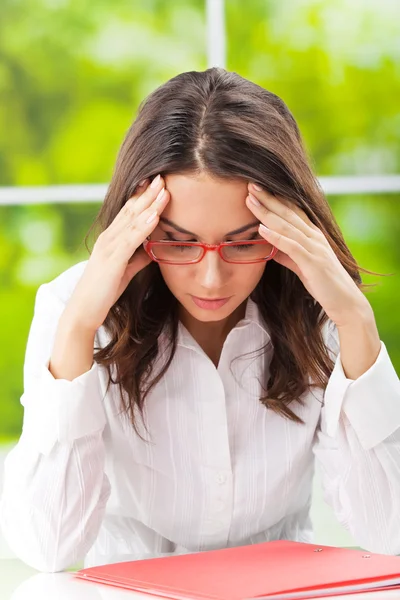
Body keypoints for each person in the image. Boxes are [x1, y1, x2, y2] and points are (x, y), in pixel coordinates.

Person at [1, 67, 400, 574]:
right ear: (137, 225)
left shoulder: (317, 305)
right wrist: (79, 327)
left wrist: (355, 320)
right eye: (179, 241)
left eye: (243, 241)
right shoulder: (74, 310)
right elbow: (46, 546)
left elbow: (392, 531)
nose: (211, 279)